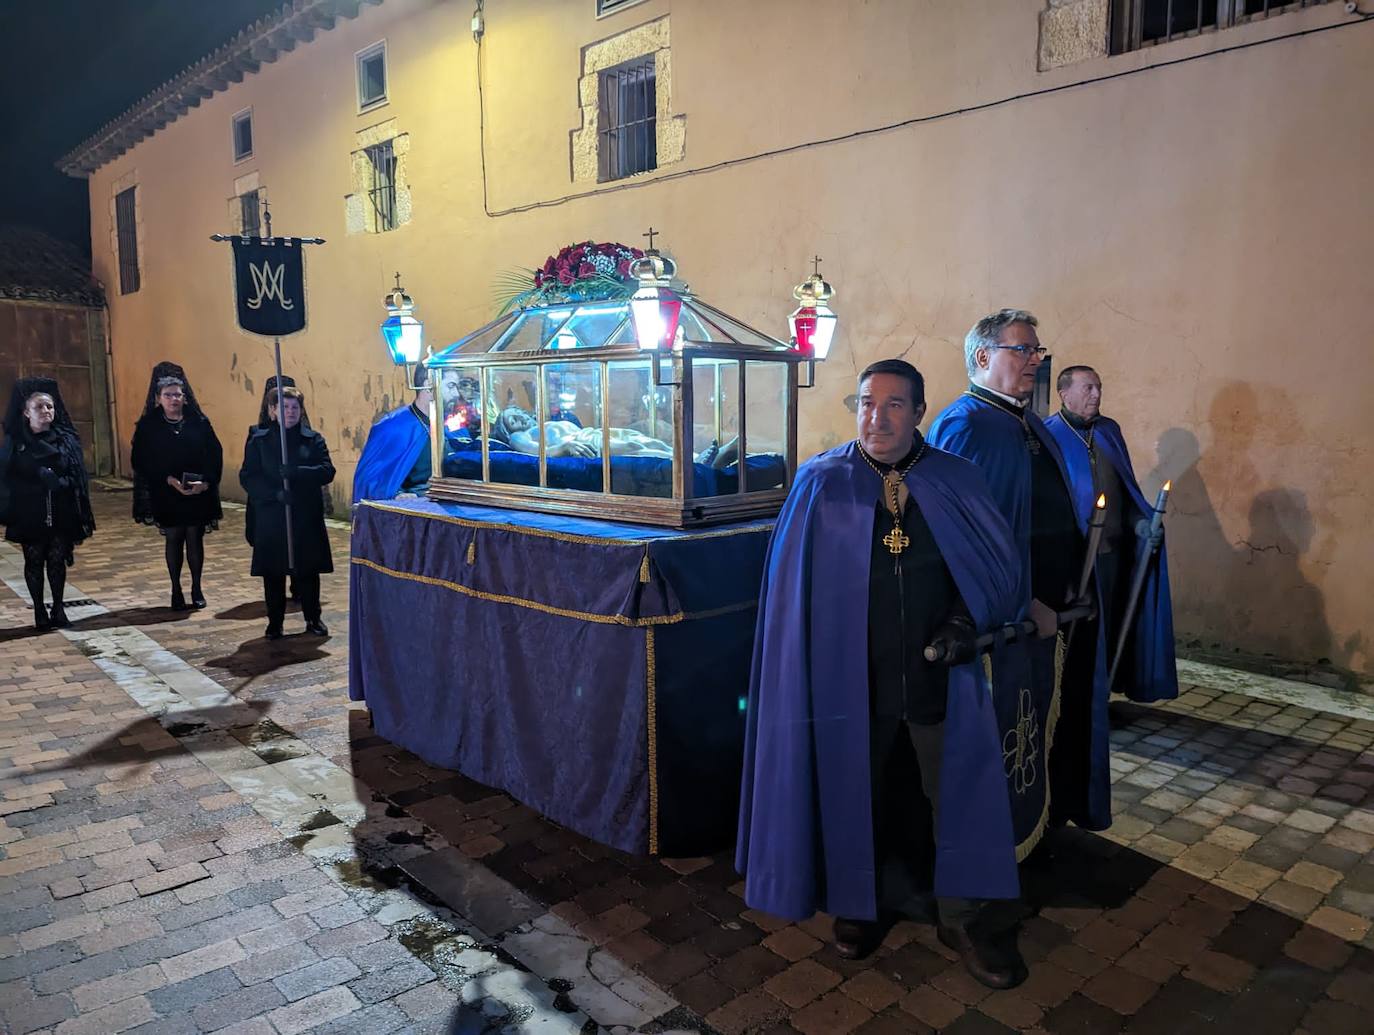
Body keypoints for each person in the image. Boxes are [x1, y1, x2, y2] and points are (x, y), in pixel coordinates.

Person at [737, 359, 1028, 989]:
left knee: (953, 796)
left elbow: (994, 573)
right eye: (868, 403)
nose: (879, 416)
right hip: (850, 681)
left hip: (937, 679)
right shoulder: (821, 482)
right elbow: (791, 593)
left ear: (921, 412)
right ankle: (859, 905)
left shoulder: (956, 479)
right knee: (856, 792)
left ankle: (967, 918)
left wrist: (961, 622)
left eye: (895, 405)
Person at [928, 309, 1109, 833]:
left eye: (1037, 351)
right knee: (1008, 735)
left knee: (1040, 730)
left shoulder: (1028, 422)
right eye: (1023, 350)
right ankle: (993, 845)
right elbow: (956, 534)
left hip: (1052, 607)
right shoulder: (965, 425)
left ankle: (1039, 824)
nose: (1035, 360)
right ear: (983, 357)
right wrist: (1021, 598)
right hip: (1007, 616)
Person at [1044, 366, 1178, 701]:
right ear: (1064, 393)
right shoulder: (1048, 435)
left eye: (1099, 388)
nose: (1096, 395)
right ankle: (1069, 702)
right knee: (1076, 632)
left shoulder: (1109, 431)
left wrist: (1141, 525)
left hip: (1112, 555)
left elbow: (1126, 492)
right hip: (1073, 559)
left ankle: (1099, 699)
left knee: (1111, 627)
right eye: (1088, 388)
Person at [0, 377, 96, 630]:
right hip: (29, 512)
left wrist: (61, 483)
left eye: (49, 407)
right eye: (39, 407)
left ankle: (59, 608)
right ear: (26, 412)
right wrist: (34, 482)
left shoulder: (65, 438)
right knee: (34, 560)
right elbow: (5, 477)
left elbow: (77, 473)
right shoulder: (16, 441)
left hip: (60, 509)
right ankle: (39, 610)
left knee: (56, 559)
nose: (46, 411)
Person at [239, 386, 334, 640]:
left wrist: (298, 471)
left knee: (307, 571)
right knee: (273, 572)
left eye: (295, 407)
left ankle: (313, 617)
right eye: (284, 407)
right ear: (272, 411)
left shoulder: (313, 439)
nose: (290, 412)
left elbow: (327, 471)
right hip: (273, 515)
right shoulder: (259, 440)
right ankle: (275, 621)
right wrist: (275, 494)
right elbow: (248, 477)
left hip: (304, 515)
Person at [131, 363, 223, 610]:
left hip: (197, 491)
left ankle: (196, 587)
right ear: (158, 398)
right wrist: (167, 479)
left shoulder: (198, 421)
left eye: (177, 394)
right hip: (167, 491)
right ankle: (176, 588)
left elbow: (215, 453)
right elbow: (140, 459)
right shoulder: (149, 425)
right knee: (174, 537)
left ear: (185, 396)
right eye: (168, 395)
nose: (173, 399)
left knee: (195, 537)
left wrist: (206, 481)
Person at [351, 367, 434, 505]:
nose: (456, 394)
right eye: (451, 386)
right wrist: (397, 494)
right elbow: (370, 478)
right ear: (428, 386)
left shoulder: (446, 424)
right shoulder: (392, 427)